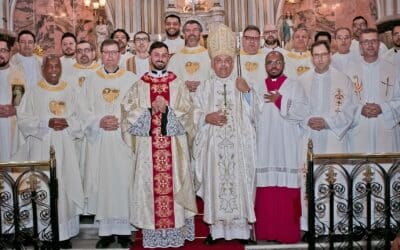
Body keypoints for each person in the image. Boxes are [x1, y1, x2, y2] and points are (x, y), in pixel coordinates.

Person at [121, 41, 197, 248]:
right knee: (149, 190)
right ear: (150, 58)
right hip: (148, 150)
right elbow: (127, 115)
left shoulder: (178, 84)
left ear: (168, 58)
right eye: (157, 55)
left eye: (164, 55)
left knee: (174, 188)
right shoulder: (139, 85)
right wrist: (149, 110)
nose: (161, 58)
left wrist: (169, 111)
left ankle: (175, 232)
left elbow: (190, 114)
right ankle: (154, 233)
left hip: (173, 148)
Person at [192, 24, 257, 242]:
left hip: (239, 147)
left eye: (228, 61)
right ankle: (217, 231)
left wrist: (247, 92)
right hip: (213, 148)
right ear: (212, 63)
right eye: (219, 61)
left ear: (232, 62)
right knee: (216, 184)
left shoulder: (241, 82)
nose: (223, 65)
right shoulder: (205, 86)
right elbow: (193, 112)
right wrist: (205, 117)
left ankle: (241, 231)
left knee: (239, 184)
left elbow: (257, 112)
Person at [17, 55, 84, 249]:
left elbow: (82, 119)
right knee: (44, 187)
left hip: (66, 147)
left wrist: (68, 123)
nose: (54, 69)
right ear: (43, 69)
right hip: (41, 147)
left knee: (65, 186)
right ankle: (46, 234)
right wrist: (45, 123)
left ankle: (65, 234)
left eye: (57, 66)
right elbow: (23, 119)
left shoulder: (70, 90)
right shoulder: (33, 91)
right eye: (50, 66)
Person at [81, 39, 138, 248]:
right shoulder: (91, 80)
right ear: (101, 54)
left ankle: (124, 232)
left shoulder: (132, 79)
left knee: (124, 183)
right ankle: (105, 232)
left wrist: (121, 121)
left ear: (120, 54)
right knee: (103, 183)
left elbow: (138, 109)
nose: (110, 56)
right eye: (106, 52)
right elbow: (82, 110)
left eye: (114, 53)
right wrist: (99, 121)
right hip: (101, 142)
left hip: (123, 142)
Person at [254, 51, 307, 243]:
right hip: (265, 148)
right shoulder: (258, 86)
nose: (274, 65)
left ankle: (288, 233)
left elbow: (302, 112)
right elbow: (251, 115)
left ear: (284, 64)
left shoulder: (295, 86)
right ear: (265, 66)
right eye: (270, 62)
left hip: (287, 147)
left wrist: (280, 101)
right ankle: (266, 232)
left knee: (288, 189)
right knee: (266, 190)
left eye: (277, 62)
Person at [345, 28, 400, 153]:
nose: (370, 45)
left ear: (379, 44)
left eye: (374, 41)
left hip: (385, 128)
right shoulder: (349, 71)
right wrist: (360, 109)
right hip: (359, 127)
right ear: (360, 46)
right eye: (366, 42)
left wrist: (383, 108)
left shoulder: (393, 70)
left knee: (385, 169)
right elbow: (344, 102)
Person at [168, 20, 211, 95]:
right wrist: (183, 85)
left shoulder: (210, 56)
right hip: (182, 101)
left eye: (195, 30)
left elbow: (215, 78)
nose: (191, 33)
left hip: (205, 99)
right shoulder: (175, 58)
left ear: (201, 33)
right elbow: (169, 81)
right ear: (183, 34)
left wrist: (202, 84)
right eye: (188, 30)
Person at [0, 38, 23, 162]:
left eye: (3, 50)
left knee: (9, 160)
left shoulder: (17, 74)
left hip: (10, 126)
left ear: (9, 53)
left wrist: (14, 109)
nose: (0, 54)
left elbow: (18, 102)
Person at [239, 25, 267, 90]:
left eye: (255, 38)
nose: (252, 41)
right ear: (243, 40)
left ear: (259, 41)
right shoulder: (235, 59)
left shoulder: (266, 58)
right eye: (248, 38)